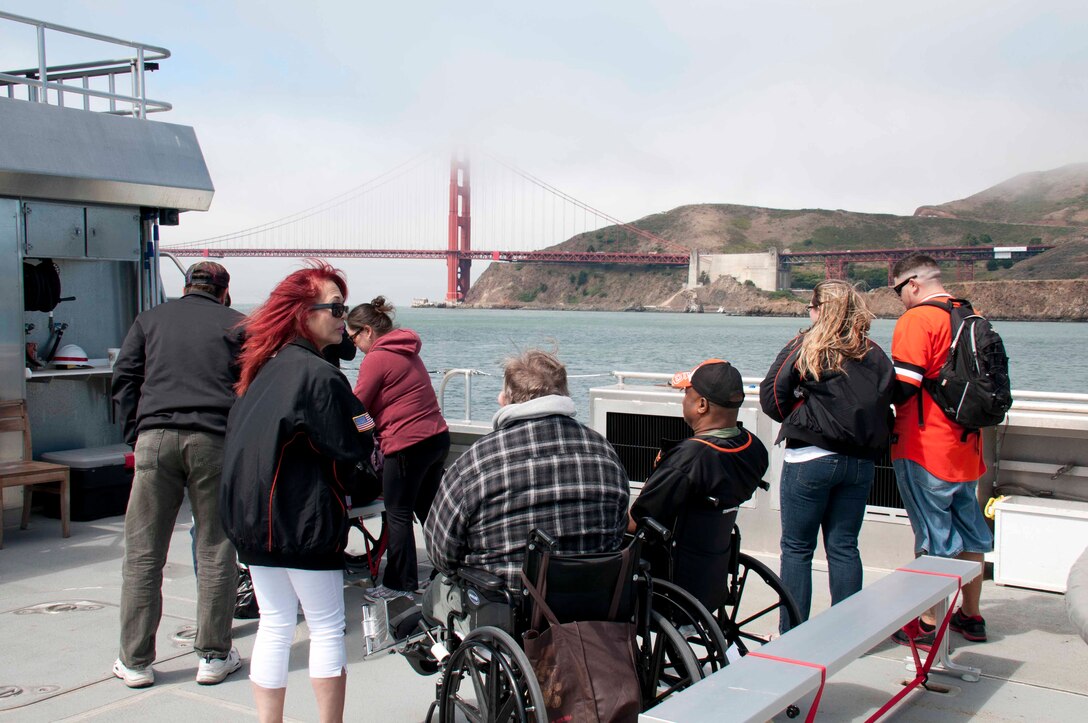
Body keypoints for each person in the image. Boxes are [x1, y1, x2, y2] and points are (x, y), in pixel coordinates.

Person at [219, 263, 374, 722]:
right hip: (303, 521)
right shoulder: (321, 377)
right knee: (327, 627)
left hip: (252, 524)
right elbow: (356, 438)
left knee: (275, 624)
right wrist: (366, 428)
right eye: (336, 308)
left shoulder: (260, 370)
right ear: (304, 313)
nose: (343, 318)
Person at [423, 349, 630, 634]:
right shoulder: (604, 452)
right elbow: (617, 533)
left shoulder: (477, 461)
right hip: (592, 608)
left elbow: (440, 552)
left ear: (505, 399)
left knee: (434, 593)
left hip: (509, 612)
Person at [110, 261, 245, 688]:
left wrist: (137, 432)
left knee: (144, 552)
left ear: (186, 287)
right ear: (224, 292)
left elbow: (125, 377)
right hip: (214, 441)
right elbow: (253, 384)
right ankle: (213, 656)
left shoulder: (150, 319)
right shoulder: (240, 325)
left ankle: (134, 662)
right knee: (215, 549)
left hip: (155, 437)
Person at [759, 280, 895, 631]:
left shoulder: (808, 344)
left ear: (820, 309)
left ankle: (793, 633)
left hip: (810, 459)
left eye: (811, 306)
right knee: (844, 546)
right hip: (860, 462)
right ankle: (848, 633)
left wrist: (799, 418)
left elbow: (772, 392)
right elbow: (889, 399)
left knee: (797, 549)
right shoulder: (874, 352)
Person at [889, 254, 993, 645]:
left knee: (934, 540)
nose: (899, 298)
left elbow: (904, 385)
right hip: (968, 446)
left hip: (925, 446)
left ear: (912, 284)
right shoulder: (971, 315)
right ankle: (972, 616)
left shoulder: (918, 320)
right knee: (970, 535)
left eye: (898, 290)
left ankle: (929, 624)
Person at [629, 359, 769, 611]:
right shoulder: (753, 447)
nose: (683, 401)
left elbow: (638, 520)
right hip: (709, 575)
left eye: (686, 394)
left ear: (702, 405)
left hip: (670, 579)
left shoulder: (688, 460)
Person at [346, 297, 450, 601]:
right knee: (429, 512)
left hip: (407, 445)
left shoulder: (376, 358)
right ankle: (447, 569)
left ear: (366, 331)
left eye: (353, 338)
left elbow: (357, 406)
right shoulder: (405, 349)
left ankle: (399, 584)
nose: (354, 346)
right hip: (436, 438)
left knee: (398, 513)